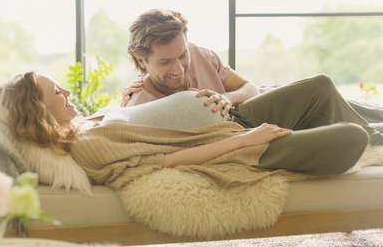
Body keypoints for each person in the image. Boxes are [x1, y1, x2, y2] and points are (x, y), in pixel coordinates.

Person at [0, 71, 372, 190]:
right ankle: (375, 139)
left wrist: (120, 106)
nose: (68, 91)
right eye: (57, 92)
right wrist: (247, 139)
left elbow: (139, 127)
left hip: (228, 120)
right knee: (354, 138)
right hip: (239, 147)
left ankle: (377, 133)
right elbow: (167, 159)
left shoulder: (81, 124)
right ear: (39, 112)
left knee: (319, 84)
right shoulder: (86, 148)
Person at [121, 9, 383, 147]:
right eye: (165, 62)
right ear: (142, 61)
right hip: (246, 126)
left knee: (356, 107)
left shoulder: (201, 55)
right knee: (321, 91)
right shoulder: (139, 105)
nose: (179, 69)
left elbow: (249, 88)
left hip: (258, 101)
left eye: (182, 55)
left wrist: (224, 98)